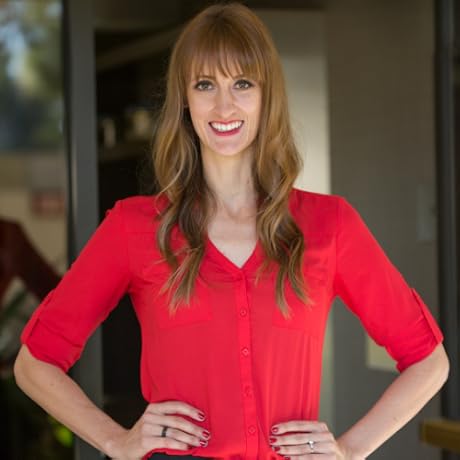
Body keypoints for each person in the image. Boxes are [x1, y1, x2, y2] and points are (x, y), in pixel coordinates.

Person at [14, 2, 449, 460]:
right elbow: (34, 363)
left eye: (242, 83)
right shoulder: (134, 227)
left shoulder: (330, 225)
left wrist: (352, 449)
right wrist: (115, 441)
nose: (224, 105)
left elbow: (428, 360)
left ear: (267, 97)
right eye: (206, 84)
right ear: (186, 99)